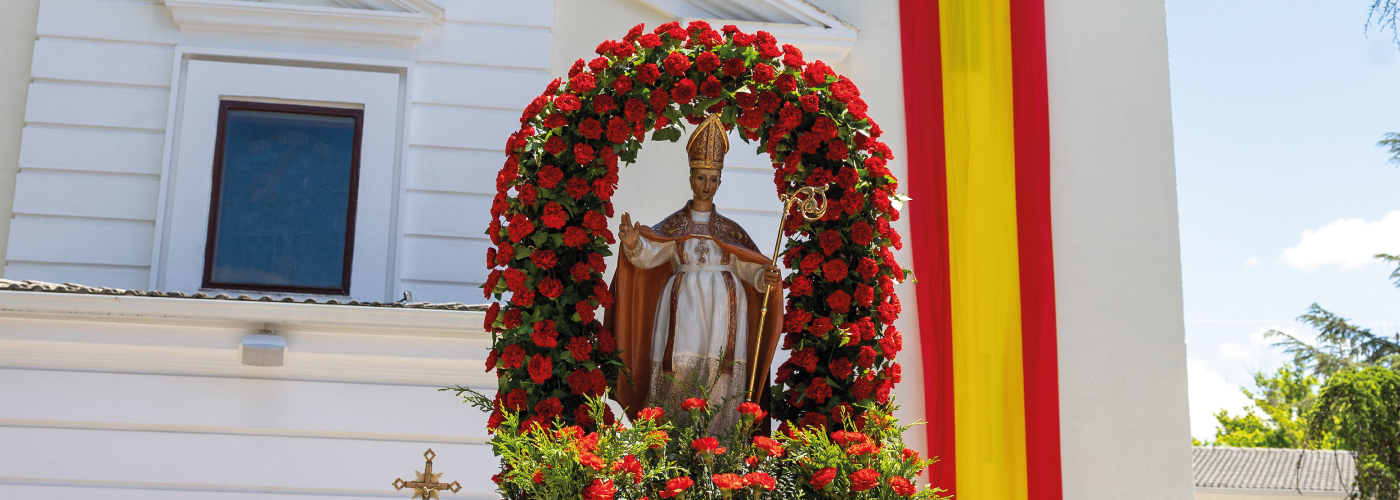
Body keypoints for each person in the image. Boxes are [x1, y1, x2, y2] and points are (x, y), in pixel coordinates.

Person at [606, 115, 784, 432]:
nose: (706, 185)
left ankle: (721, 452)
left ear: (720, 181)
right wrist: (634, 246)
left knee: (722, 382)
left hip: (726, 312)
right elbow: (650, 256)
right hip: (683, 306)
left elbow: (747, 267)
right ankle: (670, 449)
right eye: (701, 178)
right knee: (679, 374)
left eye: (712, 179)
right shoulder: (674, 226)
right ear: (691, 179)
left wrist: (763, 279)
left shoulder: (729, 231)